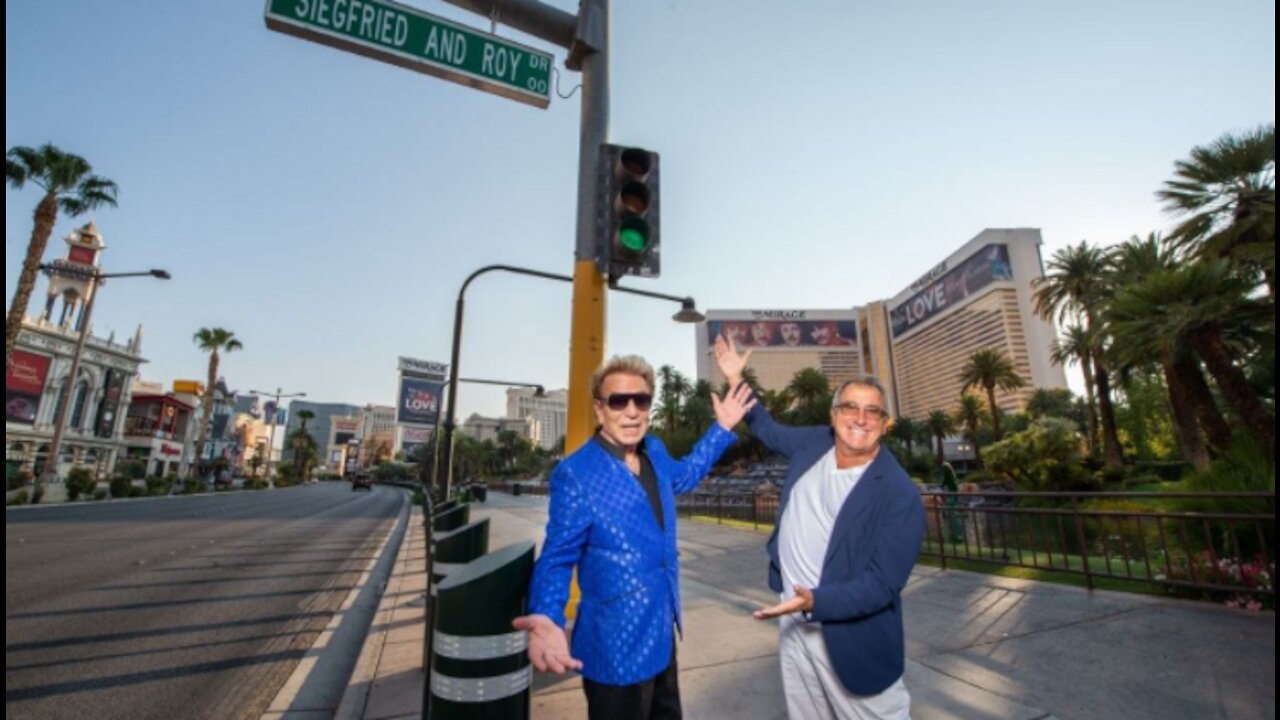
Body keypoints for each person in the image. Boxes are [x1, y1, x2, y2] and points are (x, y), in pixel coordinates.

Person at [513, 355, 756, 720]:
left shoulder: (654, 450)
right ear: (599, 409)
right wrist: (546, 614)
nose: (630, 411)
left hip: (661, 631)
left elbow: (683, 476)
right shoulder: (576, 473)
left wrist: (721, 428)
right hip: (614, 648)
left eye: (640, 401)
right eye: (617, 401)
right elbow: (557, 556)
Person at [714, 334, 924, 720]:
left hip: (849, 638)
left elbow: (882, 585)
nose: (860, 418)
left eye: (872, 411)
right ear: (833, 414)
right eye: (850, 407)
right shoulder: (815, 444)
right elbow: (766, 427)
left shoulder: (899, 494)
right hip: (793, 622)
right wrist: (735, 380)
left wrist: (816, 602)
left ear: (885, 423)